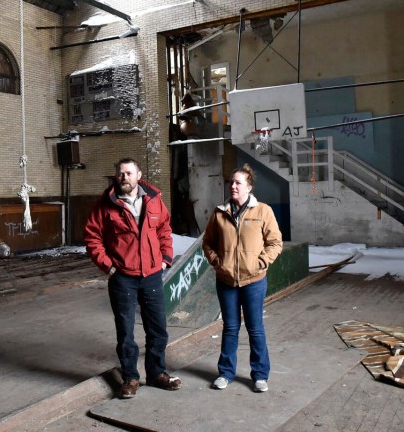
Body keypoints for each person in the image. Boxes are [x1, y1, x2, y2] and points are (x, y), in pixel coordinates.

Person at [84, 158, 183, 399]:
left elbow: (165, 231)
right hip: (123, 278)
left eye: (129, 173)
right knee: (126, 332)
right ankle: (130, 378)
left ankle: (157, 373)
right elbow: (92, 237)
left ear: (139, 175)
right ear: (116, 177)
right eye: (120, 174)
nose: (124, 177)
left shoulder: (154, 200)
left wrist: (165, 259)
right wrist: (108, 266)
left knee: (158, 329)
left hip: (151, 275)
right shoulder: (105, 205)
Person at [202, 163, 283, 392]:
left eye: (238, 183)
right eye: (231, 182)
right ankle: (226, 373)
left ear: (249, 186)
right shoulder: (220, 213)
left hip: (254, 281)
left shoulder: (263, 211)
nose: (233, 186)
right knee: (230, 327)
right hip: (226, 281)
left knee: (255, 328)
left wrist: (260, 262)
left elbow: (275, 243)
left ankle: (259, 375)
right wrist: (217, 261)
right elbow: (207, 242)